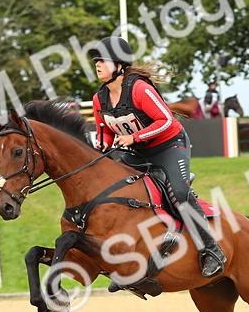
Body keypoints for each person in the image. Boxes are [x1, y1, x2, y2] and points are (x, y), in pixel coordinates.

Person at [88, 36, 226, 278]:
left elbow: (166, 121)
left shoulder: (139, 89)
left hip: (169, 146)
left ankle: (212, 250)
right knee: (120, 193)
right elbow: (106, 132)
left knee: (179, 193)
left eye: (103, 60)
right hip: (137, 153)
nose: (97, 64)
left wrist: (134, 137)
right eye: (96, 61)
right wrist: (102, 145)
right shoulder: (99, 99)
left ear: (119, 65)